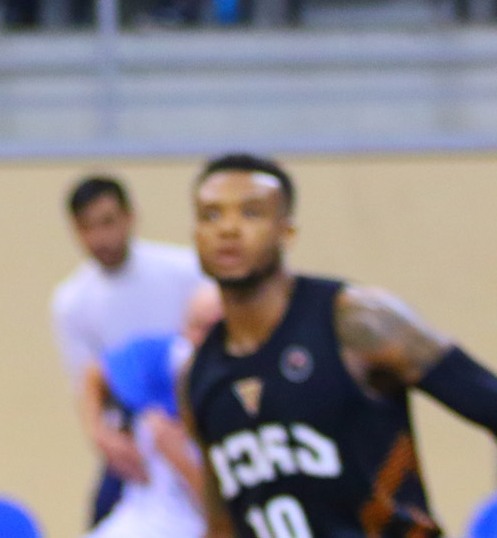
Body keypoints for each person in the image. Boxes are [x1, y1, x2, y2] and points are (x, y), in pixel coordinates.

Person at [184, 154, 497, 538]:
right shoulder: (197, 373)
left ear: (287, 231)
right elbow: (222, 524)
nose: (228, 229)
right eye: (211, 215)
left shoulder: (356, 319)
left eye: (251, 213)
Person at [52, 176, 205, 526]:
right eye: (87, 227)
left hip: (195, 422)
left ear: (130, 217)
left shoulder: (185, 271)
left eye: (108, 222)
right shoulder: (72, 301)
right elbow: (87, 381)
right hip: (134, 434)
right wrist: (102, 436)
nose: (100, 238)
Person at [84, 285, 222, 538]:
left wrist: (177, 455)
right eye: (196, 327)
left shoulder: (234, 398)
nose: (203, 340)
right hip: (139, 512)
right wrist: (100, 432)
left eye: (214, 329)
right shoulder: (166, 358)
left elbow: (223, 517)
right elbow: (96, 374)